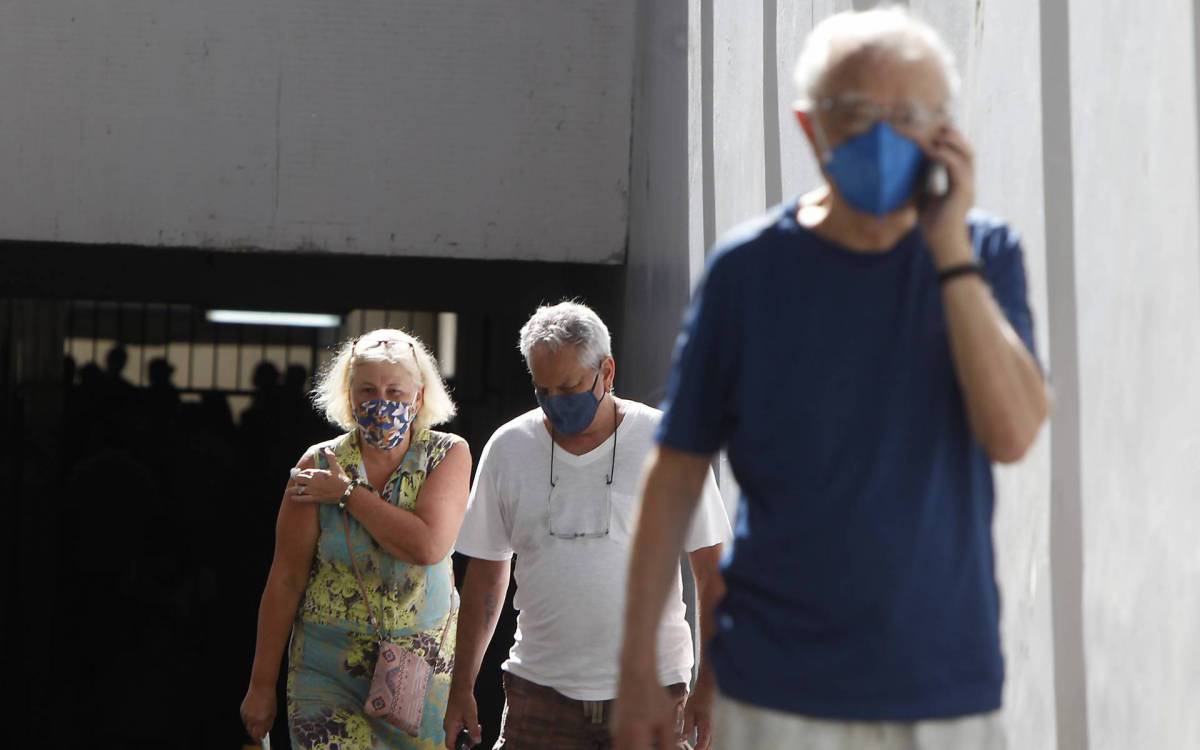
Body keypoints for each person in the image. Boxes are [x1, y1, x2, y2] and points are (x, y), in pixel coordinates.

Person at [613, 8, 1049, 750]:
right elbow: (677, 472)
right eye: (855, 112)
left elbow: (1012, 434)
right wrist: (635, 673)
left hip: (943, 686)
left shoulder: (982, 252)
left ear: (944, 130)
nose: (883, 135)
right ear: (811, 125)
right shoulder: (749, 271)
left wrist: (949, 252)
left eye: (909, 114)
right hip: (777, 688)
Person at [444, 302, 731, 750]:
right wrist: (462, 684)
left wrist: (709, 686)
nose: (558, 403)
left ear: (607, 371)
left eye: (571, 386)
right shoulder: (509, 448)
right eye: (544, 390)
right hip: (538, 693)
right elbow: (485, 577)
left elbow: (711, 572)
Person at [241, 328, 472, 750]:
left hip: (417, 675)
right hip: (326, 672)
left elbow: (427, 546)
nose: (381, 402)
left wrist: (346, 494)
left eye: (395, 391)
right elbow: (286, 579)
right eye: (367, 390)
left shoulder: (446, 453)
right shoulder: (319, 463)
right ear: (349, 397)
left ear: (419, 398)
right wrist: (260, 684)